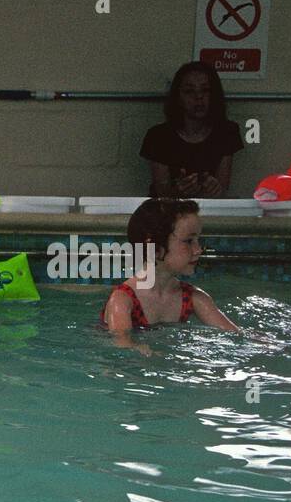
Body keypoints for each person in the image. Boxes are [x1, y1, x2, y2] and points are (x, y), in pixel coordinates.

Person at [98, 198, 239, 353]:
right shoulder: (122, 300)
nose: (198, 249)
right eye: (189, 241)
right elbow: (122, 344)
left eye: (199, 240)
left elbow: (237, 337)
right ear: (155, 247)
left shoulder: (194, 298)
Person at [141, 61, 242, 199]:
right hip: (167, 215)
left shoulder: (227, 132)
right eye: (189, 91)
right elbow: (161, 193)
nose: (198, 97)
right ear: (178, 97)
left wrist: (214, 189)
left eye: (205, 90)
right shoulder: (159, 136)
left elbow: (222, 187)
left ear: (214, 95)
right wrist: (177, 192)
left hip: (210, 212)